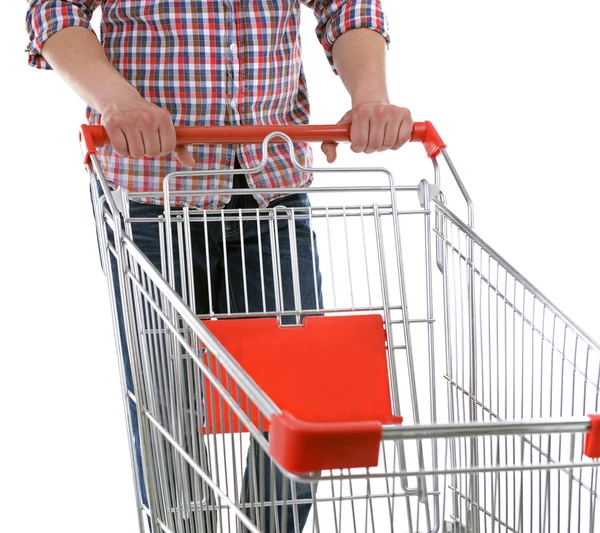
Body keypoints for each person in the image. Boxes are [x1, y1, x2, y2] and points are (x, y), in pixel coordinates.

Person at [25, 1, 413, 532]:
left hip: (272, 184)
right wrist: (118, 103)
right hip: (152, 196)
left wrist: (370, 97)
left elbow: (346, 5)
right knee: (170, 422)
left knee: (303, 411)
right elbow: (53, 11)